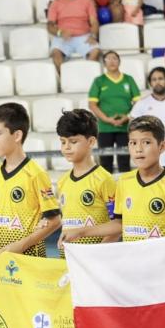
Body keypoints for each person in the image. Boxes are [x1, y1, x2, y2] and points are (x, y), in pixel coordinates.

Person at [59, 115, 165, 244]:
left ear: (162, 146)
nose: (138, 149)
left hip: (163, 262)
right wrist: (81, 232)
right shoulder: (124, 181)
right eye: (133, 143)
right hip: (131, 262)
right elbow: (119, 224)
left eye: (146, 142)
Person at [0, 103, 61, 256]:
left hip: (30, 258)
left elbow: (54, 221)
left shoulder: (36, 174)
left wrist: (21, 245)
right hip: (0, 258)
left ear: (17, 136)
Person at [54, 109, 116, 257]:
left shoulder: (104, 180)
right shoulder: (63, 181)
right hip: (68, 259)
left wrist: (96, 255)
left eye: (73, 141)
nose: (66, 147)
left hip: (95, 261)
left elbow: (117, 226)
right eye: (63, 142)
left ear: (91, 141)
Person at [88, 50, 141, 174]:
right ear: (104, 63)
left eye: (114, 58)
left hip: (125, 127)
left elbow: (138, 103)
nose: (112, 61)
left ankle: (126, 189)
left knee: (124, 160)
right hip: (105, 128)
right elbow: (92, 104)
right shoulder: (99, 81)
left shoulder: (128, 79)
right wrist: (107, 119)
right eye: (108, 59)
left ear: (119, 61)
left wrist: (127, 117)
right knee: (105, 161)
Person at [48, 0, 101, 74]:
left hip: (84, 36)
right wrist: (60, 32)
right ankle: (64, 80)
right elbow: (50, 25)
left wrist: (93, 36)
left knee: (96, 51)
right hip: (62, 36)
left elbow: (94, 22)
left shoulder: (86, 0)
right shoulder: (55, 3)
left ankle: (87, 77)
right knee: (56, 53)